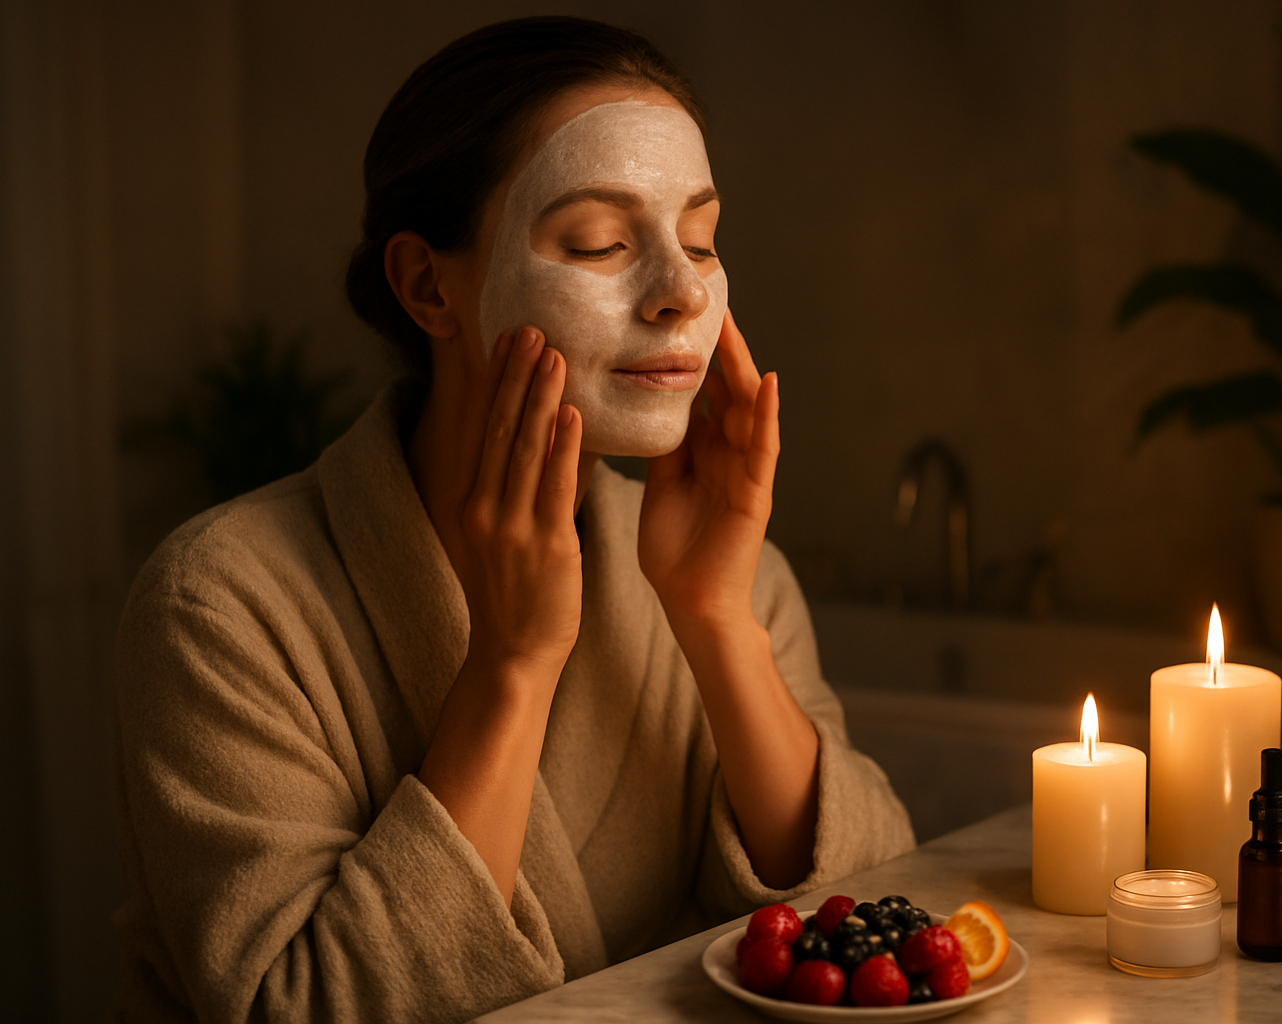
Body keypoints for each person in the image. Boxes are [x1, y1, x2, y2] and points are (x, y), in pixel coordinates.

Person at [111, 16, 914, 1022]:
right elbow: (307, 1008)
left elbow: (879, 918)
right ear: (426, 285)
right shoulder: (222, 607)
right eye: (600, 242)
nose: (680, 292)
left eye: (702, 239)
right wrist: (510, 664)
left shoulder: (730, 575)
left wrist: (716, 620)